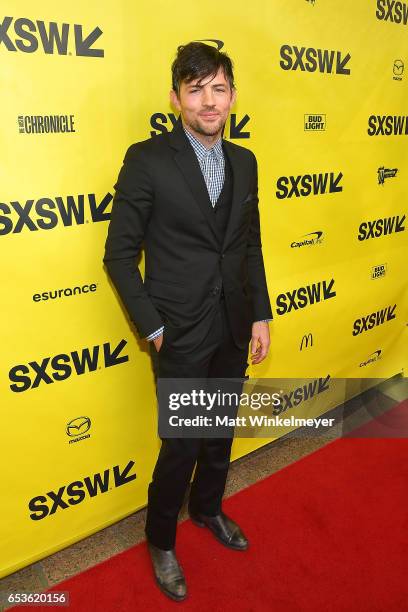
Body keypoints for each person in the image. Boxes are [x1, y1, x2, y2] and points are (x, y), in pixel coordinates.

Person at [103, 41, 272, 602]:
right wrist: (153, 327)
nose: (208, 101)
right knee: (180, 442)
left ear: (232, 96)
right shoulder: (147, 159)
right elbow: (118, 256)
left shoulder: (246, 161)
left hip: (233, 324)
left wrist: (260, 315)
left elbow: (250, 245)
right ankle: (160, 539)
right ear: (176, 98)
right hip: (178, 329)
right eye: (195, 89)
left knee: (220, 431)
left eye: (218, 88)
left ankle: (207, 510)